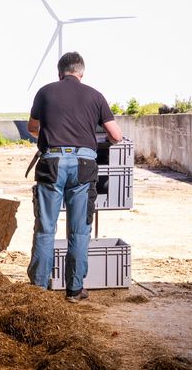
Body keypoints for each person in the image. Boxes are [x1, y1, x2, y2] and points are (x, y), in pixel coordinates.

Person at [27, 52, 123, 303]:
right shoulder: (95, 95)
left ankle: (38, 290)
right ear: (81, 73)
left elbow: (32, 128)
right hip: (83, 165)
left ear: (60, 72)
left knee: (45, 229)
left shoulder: (45, 92)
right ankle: (74, 290)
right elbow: (116, 135)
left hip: (52, 163)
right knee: (79, 231)